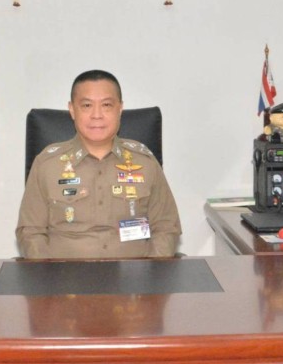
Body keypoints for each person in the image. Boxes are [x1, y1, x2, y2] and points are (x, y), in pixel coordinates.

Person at [16, 70, 181, 259]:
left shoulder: (145, 162)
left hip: (134, 274)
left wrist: (152, 270)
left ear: (120, 109)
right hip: (65, 274)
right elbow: (31, 232)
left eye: (106, 105)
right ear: (72, 110)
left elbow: (166, 226)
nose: (97, 115)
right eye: (87, 105)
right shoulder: (47, 165)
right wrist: (48, 274)